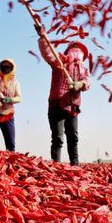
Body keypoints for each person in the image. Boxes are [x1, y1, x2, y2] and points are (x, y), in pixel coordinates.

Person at [37, 28, 91, 165]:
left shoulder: (83, 69)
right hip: (56, 104)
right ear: (69, 50)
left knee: (73, 136)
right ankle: (56, 165)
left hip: (72, 107)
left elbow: (88, 82)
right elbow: (48, 53)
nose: (76, 50)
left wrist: (80, 84)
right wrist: (43, 37)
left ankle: (75, 164)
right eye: (74, 47)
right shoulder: (60, 62)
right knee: (57, 137)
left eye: (79, 49)